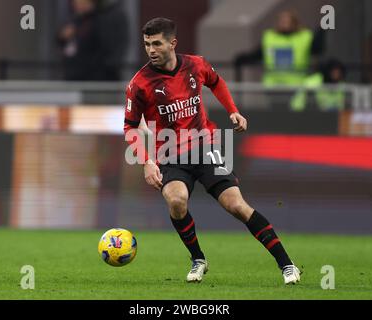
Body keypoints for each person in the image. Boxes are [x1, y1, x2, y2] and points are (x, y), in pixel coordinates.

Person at [123, 17, 301, 284]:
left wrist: (233, 111)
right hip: (169, 153)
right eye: (147, 44)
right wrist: (147, 161)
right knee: (176, 201)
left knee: (236, 205)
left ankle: (287, 264)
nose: (151, 50)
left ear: (173, 43)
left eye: (157, 43)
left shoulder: (196, 64)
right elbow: (130, 126)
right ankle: (198, 259)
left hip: (205, 146)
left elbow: (216, 82)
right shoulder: (140, 84)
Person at [235, 10, 324, 86]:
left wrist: (321, 31)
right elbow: (258, 54)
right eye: (282, 21)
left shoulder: (304, 37)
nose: (284, 24)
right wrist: (243, 58)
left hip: (297, 84)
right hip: (273, 84)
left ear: (295, 23)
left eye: (288, 21)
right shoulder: (270, 38)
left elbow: (317, 49)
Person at [57, 0, 128, 81]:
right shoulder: (74, 20)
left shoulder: (102, 19)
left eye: (82, 3)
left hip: (97, 76)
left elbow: (106, 47)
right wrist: (63, 37)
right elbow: (62, 42)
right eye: (76, 3)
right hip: (74, 76)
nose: (78, 6)